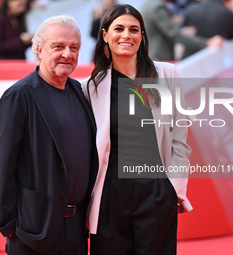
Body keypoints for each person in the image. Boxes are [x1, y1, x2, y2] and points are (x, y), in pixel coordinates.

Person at [81, 4, 192, 255]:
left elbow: (180, 139)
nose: (126, 35)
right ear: (105, 35)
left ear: (142, 36)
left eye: (134, 30)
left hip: (155, 190)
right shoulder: (92, 87)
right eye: (118, 29)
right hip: (110, 193)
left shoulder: (167, 74)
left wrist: (172, 189)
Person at [0, 15, 98, 255]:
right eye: (58, 46)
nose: (67, 54)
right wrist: (10, 226)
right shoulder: (19, 96)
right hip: (34, 231)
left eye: (74, 48)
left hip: (77, 229)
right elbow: (1, 167)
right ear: (39, 49)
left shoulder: (79, 92)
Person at [141, 0, 223, 61]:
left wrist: (181, 31)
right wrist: (207, 43)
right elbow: (175, 35)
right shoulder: (157, 7)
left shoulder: (150, 4)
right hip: (159, 61)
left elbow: (165, 31)